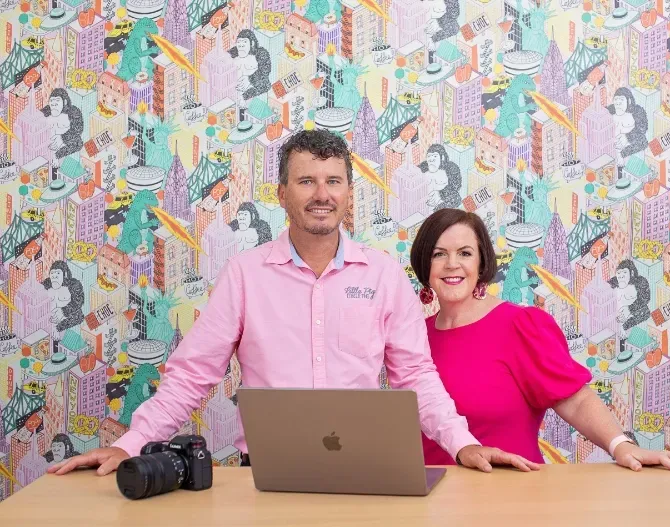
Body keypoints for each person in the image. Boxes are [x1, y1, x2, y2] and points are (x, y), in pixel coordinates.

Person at [48, 130, 536, 477]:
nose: (321, 194)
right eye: (306, 181)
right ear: (282, 194)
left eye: (333, 181)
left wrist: (463, 444)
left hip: (364, 470)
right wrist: (127, 444)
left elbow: (418, 378)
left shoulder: (385, 276)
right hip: (266, 471)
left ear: (349, 195)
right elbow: (191, 377)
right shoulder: (244, 275)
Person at [409, 209, 670, 472]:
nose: (452, 264)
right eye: (438, 254)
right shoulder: (412, 340)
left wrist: (621, 445)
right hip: (432, 503)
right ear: (425, 263)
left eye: (465, 253)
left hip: (508, 498)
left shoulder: (517, 326)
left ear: (482, 262)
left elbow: (576, 400)